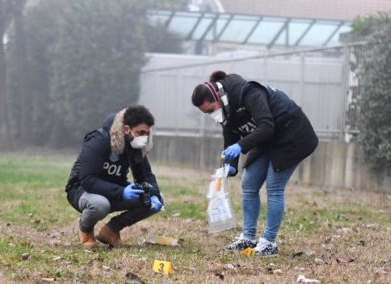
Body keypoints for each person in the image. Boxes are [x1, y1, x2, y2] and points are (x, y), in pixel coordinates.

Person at [191, 71, 319, 256]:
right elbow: (230, 137)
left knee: (274, 187)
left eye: (211, 110)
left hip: (291, 135)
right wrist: (230, 164)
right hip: (267, 140)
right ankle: (248, 238)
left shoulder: (249, 92)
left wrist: (241, 146)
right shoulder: (226, 108)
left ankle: (269, 243)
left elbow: (266, 126)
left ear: (218, 96)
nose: (212, 115)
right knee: (248, 184)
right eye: (207, 113)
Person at [65, 105, 164, 249]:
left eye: (147, 133)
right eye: (140, 132)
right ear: (126, 129)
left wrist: (153, 194)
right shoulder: (98, 141)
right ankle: (86, 230)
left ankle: (111, 230)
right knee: (100, 205)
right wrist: (121, 192)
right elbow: (88, 180)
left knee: (155, 200)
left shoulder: (135, 145)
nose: (144, 137)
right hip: (82, 190)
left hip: (113, 189)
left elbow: (145, 175)